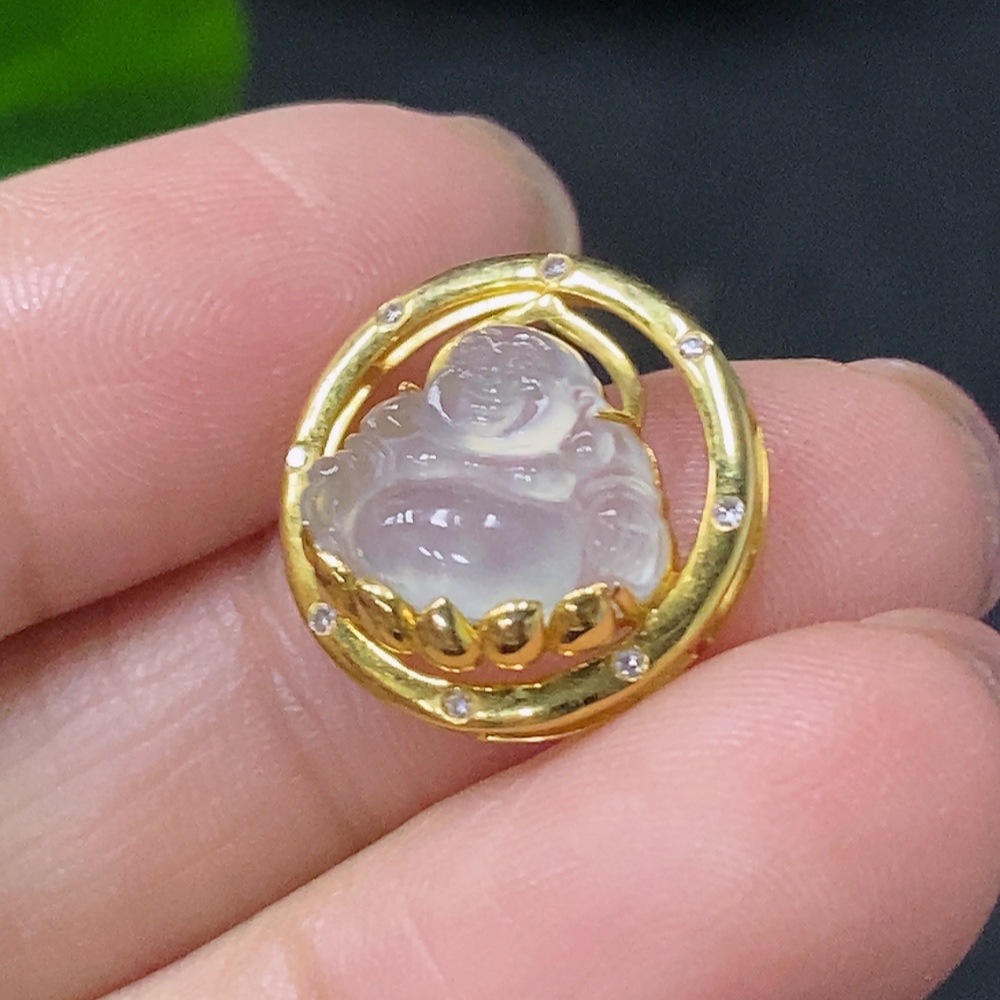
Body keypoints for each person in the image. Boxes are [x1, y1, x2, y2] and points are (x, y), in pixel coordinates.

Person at [0, 102, 998, 1000]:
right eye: (470, 382)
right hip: (405, 557)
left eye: (517, 389)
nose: (485, 402)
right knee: (400, 511)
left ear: (566, 398)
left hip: (520, 567)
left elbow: (629, 545)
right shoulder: (414, 429)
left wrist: (580, 516)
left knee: (524, 538)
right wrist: (381, 480)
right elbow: (343, 481)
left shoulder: (594, 453)